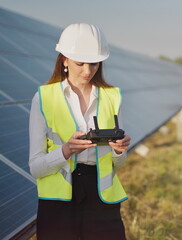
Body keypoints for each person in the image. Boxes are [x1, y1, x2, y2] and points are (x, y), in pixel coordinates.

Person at [29, 23, 131, 240]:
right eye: (80, 63)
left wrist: (120, 151)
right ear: (64, 59)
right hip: (57, 202)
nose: (87, 71)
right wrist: (65, 151)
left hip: (101, 198)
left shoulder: (113, 97)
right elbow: (35, 168)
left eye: (94, 64)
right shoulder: (43, 98)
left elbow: (119, 165)